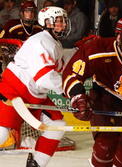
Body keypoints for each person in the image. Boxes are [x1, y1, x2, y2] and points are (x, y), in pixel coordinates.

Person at [62, 17, 122, 167]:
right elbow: (72, 73)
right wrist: (78, 96)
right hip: (104, 99)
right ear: (119, 36)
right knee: (105, 146)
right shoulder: (97, 49)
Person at [0, 6, 70, 167]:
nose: (63, 25)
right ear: (47, 22)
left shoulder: (54, 43)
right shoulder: (41, 41)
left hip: (36, 96)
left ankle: (36, 164)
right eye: (59, 21)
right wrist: (69, 92)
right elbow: (45, 78)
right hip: (14, 91)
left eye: (64, 21)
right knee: (2, 134)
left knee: (57, 125)